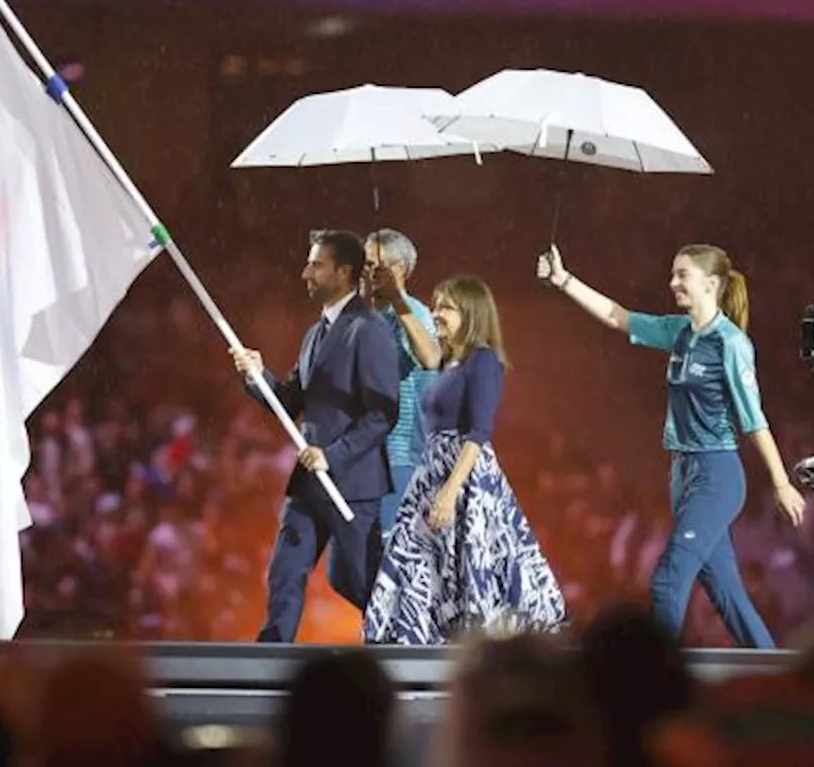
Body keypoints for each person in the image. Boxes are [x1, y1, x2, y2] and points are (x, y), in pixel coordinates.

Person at [537, 243, 805, 648]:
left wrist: (782, 483)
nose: (672, 282)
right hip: (682, 473)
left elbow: (754, 421)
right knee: (727, 594)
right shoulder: (679, 332)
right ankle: (779, 679)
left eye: (683, 275)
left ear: (711, 284)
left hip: (717, 475)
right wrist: (564, 281)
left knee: (667, 579)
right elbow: (618, 317)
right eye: (673, 273)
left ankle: (651, 684)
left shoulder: (730, 344)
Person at [362, 275, 568, 644]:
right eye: (436, 305)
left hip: (465, 475)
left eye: (446, 308)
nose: (436, 313)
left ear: (470, 314)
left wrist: (449, 492)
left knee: (469, 561)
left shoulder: (484, 361)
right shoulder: (447, 363)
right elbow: (427, 355)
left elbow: (479, 432)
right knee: (413, 554)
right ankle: (412, 638)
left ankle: (477, 648)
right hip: (432, 470)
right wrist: (397, 298)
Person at [230, 229, 401, 643]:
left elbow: (383, 413)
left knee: (357, 579)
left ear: (344, 272)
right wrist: (258, 376)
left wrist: (335, 454)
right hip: (309, 482)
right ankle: (272, 651)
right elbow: (290, 400)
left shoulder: (370, 329)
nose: (306, 272)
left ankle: (400, 643)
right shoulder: (314, 334)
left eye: (316, 264)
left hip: (353, 484)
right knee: (285, 569)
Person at [362, 229, 439, 540]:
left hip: (403, 459)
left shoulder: (413, 312)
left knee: (393, 560)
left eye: (371, 264)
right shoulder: (370, 318)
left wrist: (396, 297)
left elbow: (431, 359)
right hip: (372, 459)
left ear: (398, 271)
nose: (364, 272)